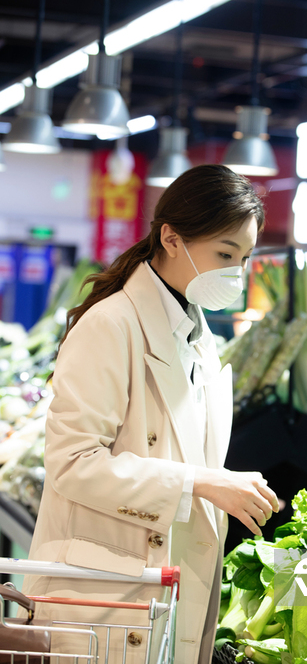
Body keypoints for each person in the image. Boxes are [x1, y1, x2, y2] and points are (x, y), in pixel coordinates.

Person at [22, 164, 279, 664]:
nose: (236, 274)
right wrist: (199, 484)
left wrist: (208, 482)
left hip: (161, 593)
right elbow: (72, 464)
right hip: (105, 603)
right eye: (225, 255)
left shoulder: (199, 337)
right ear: (171, 238)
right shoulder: (111, 324)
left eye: (244, 259)